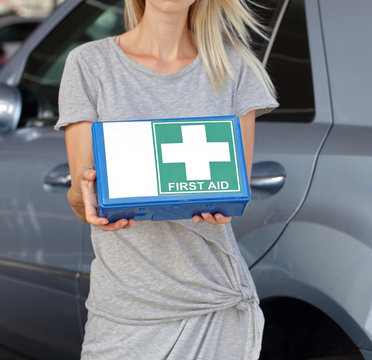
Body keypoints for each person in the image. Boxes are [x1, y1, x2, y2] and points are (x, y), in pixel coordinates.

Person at [55, 0, 278, 358]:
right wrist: (85, 201)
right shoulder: (89, 64)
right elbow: (83, 196)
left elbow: (234, 188)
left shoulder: (235, 67)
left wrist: (224, 205)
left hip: (215, 307)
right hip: (126, 314)